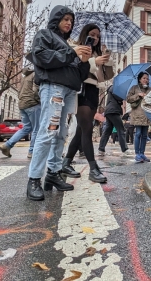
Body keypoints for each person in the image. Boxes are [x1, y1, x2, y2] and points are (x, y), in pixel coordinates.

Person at [25, 5, 91, 201]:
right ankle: (34, 178)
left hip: (70, 91)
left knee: (61, 133)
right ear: (56, 20)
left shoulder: (68, 43)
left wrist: (84, 61)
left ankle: (52, 174)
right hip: (53, 87)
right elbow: (42, 57)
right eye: (65, 19)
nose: (69, 23)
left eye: (71, 20)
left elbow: (80, 74)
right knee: (48, 130)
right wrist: (72, 52)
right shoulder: (45, 35)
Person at [62, 24, 114, 183]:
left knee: (80, 130)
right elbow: (75, 66)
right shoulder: (76, 47)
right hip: (80, 90)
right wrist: (93, 61)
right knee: (87, 128)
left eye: (98, 36)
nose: (96, 38)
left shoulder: (98, 52)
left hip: (93, 91)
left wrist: (106, 61)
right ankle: (93, 168)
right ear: (85, 34)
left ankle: (66, 162)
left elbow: (105, 77)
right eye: (92, 34)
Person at [0, 66, 41, 159]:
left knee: (26, 128)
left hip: (22, 105)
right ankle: (32, 152)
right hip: (32, 104)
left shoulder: (25, 76)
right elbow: (35, 90)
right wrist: (39, 101)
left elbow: (19, 92)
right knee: (36, 129)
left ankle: (7, 145)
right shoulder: (36, 74)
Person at [97, 86, 133, 157]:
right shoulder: (114, 87)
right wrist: (123, 95)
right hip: (113, 111)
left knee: (107, 130)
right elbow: (118, 97)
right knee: (120, 129)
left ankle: (101, 149)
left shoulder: (112, 88)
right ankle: (125, 149)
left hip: (110, 111)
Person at [126, 72, 151, 162]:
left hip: (147, 114)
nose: (146, 80)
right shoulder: (134, 88)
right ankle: (137, 154)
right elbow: (128, 98)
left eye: (147, 79)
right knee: (138, 133)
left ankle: (142, 153)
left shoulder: (150, 89)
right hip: (137, 114)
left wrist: (147, 97)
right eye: (144, 78)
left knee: (144, 135)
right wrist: (138, 95)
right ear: (140, 79)